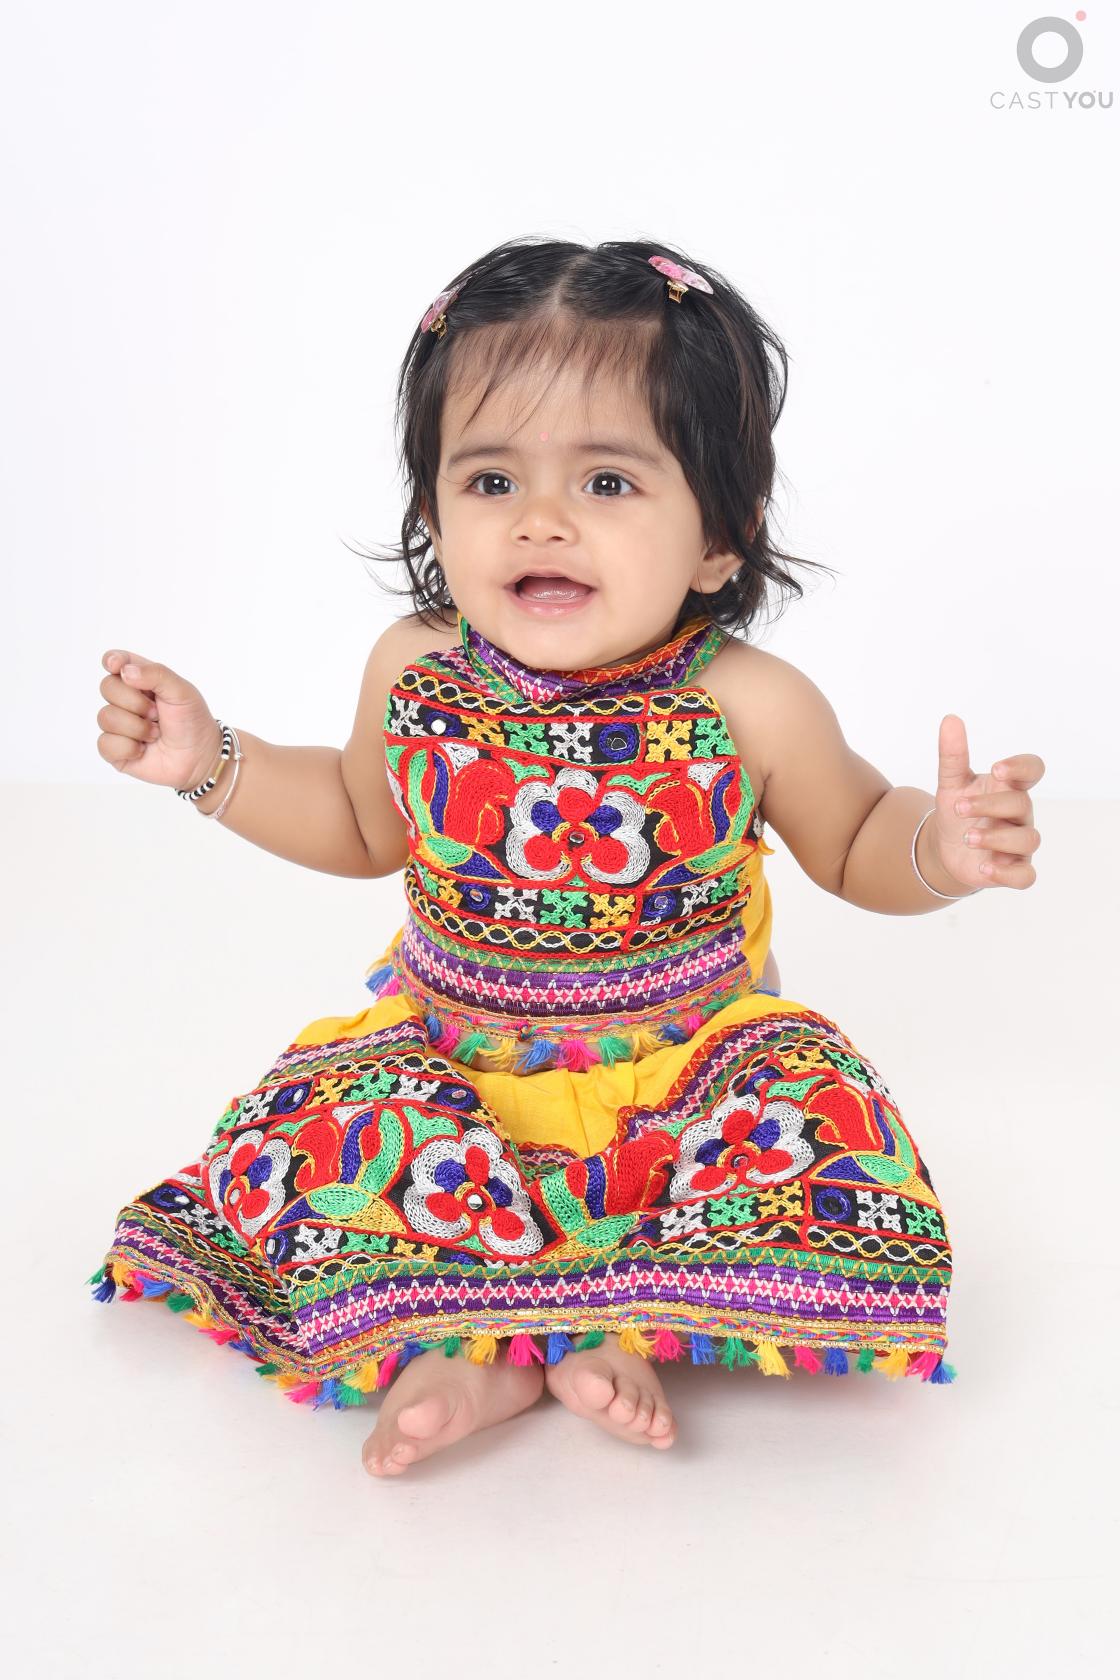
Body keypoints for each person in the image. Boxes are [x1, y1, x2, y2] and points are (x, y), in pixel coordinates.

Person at [89, 236, 1045, 1478]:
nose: (540, 519)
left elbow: (857, 839)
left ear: (720, 537)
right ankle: (470, 1352)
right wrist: (212, 761)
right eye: (491, 481)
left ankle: (619, 1321)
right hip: (457, 1081)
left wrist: (940, 845)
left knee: (813, 1113)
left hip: (678, 1094)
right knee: (330, 1132)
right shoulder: (417, 670)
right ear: (432, 512)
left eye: (606, 481)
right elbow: (360, 822)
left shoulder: (747, 701)